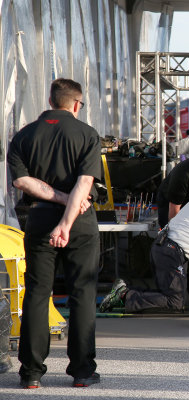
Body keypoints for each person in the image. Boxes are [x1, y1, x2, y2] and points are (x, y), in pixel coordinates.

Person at [7, 78, 102, 388]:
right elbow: (85, 184)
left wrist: (56, 208)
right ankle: (82, 372)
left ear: (50, 100)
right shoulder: (86, 134)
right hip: (80, 222)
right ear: (76, 104)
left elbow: (22, 182)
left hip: (38, 220)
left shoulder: (23, 136)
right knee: (82, 294)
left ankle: (31, 373)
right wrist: (66, 221)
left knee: (37, 293)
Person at [99, 183, 189, 313]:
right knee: (175, 302)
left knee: (165, 291)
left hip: (160, 245)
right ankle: (124, 296)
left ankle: (122, 293)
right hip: (172, 252)